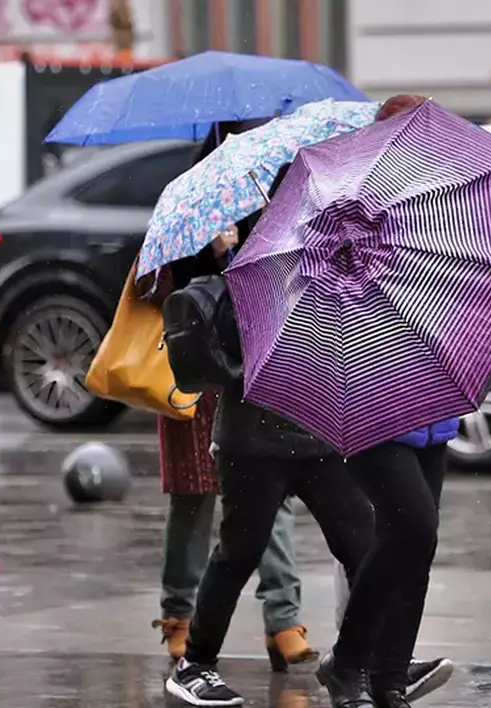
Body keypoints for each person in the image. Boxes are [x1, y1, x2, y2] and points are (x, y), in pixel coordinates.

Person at [165, 167, 377, 708]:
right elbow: (241, 347)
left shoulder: (326, 258)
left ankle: (366, 658)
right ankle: (195, 666)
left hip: (313, 435)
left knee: (365, 542)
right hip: (253, 440)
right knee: (239, 551)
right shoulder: (252, 265)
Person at [150, 121, 318, 672]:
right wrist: (217, 251)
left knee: (272, 502)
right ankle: (180, 619)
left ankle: (284, 621)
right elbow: (173, 289)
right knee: (196, 500)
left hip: (259, 375)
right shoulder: (191, 200)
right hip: (198, 374)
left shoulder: (282, 196)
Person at [316, 94, 460, 708]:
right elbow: (324, 301)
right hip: (371, 396)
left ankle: (389, 677)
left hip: (430, 404)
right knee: (413, 525)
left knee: (416, 543)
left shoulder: (443, 207)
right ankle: (348, 662)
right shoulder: (347, 211)